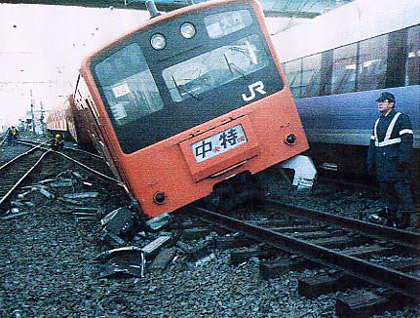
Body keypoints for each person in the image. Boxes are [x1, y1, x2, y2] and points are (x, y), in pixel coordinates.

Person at [367, 92, 415, 229]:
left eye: (383, 101)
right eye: (379, 102)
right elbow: (373, 144)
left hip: (396, 164)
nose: (380, 104)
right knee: (386, 191)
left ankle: (406, 220)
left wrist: (403, 160)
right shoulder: (378, 121)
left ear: (391, 104)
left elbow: (407, 141)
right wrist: (370, 162)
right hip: (383, 164)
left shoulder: (401, 118)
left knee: (401, 190)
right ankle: (391, 217)